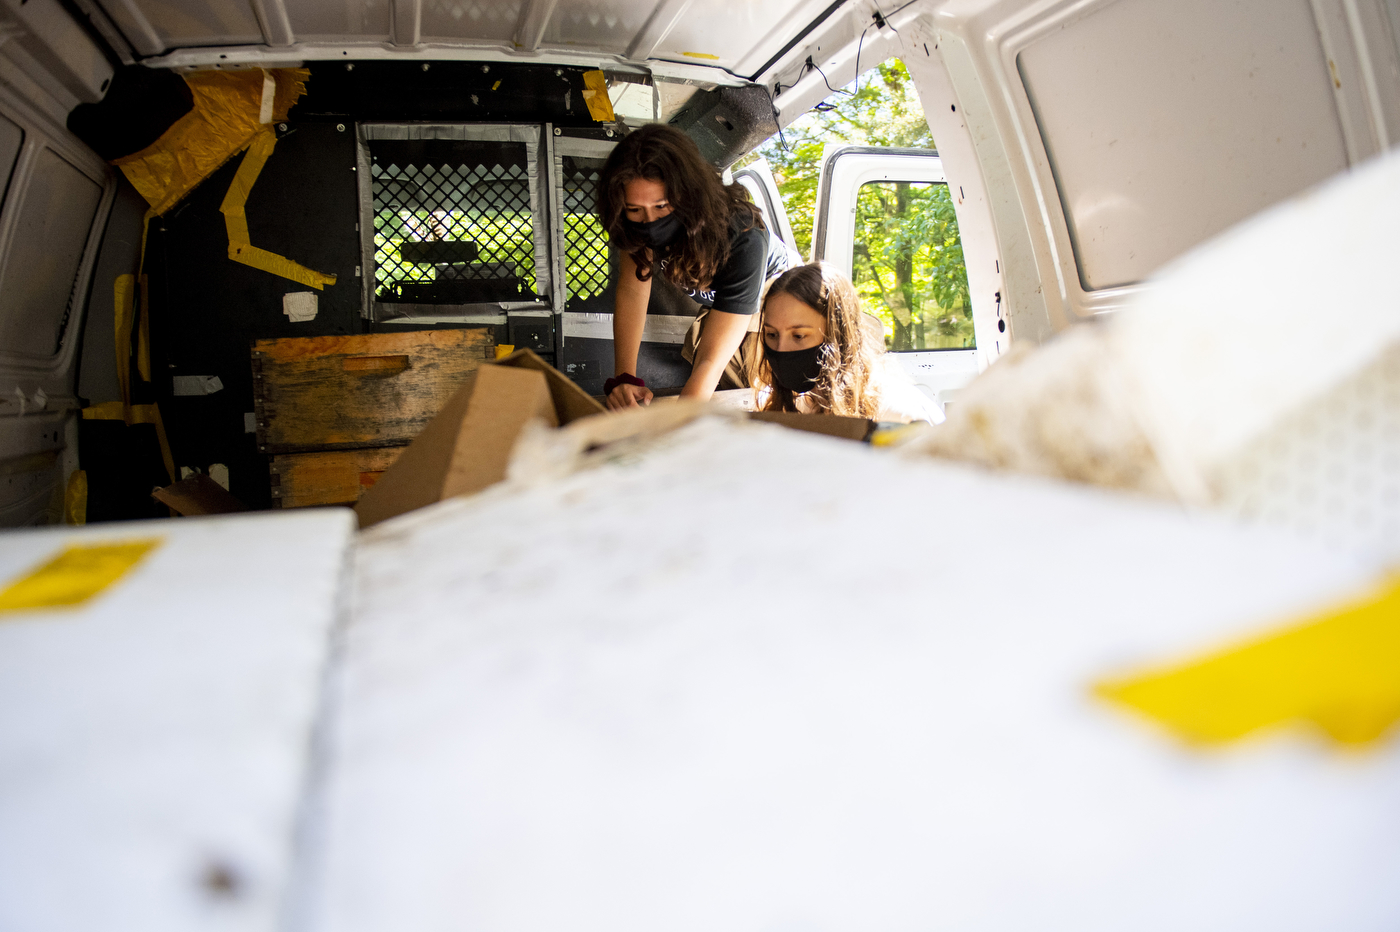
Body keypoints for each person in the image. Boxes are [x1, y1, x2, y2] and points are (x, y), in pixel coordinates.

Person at [597, 125, 796, 410]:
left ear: (687, 195)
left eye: (662, 206)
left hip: (776, 294)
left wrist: (674, 430)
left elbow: (711, 360)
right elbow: (632, 289)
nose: (649, 220)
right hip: (718, 298)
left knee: (749, 371)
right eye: (634, 209)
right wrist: (625, 379)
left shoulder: (743, 236)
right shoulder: (634, 229)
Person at [751, 262, 945, 424]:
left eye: (799, 336)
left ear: (837, 335)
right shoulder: (779, 405)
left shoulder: (900, 413)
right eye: (772, 335)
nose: (780, 349)